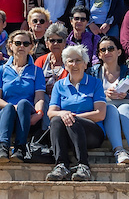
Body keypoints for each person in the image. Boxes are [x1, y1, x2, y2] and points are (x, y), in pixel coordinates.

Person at [45, 44, 106, 182]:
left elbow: (100, 114)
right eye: (70, 61)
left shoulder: (95, 83)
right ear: (65, 65)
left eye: (78, 60)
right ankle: (61, 165)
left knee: (71, 120)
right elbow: (51, 112)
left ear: (85, 64)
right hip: (67, 133)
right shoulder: (59, 85)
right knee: (56, 120)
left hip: (92, 133)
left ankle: (83, 166)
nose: (74, 64)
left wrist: (73, 116)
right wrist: (63, 114)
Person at [0, 30, 45, 162]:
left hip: (27, 113)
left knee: (23, 103)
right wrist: (12, 106)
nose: (21, 46)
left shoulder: (36, 71)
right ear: (10, 45)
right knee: (9, 107)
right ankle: (3, 148)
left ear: (31, 46)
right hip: (6, 113)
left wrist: (39, 113)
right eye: (17, 43)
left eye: (25, 43)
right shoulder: (1, 70)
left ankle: (20, 148)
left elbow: (39, 97)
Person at [90, 36, 129, 166]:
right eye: (103, 50)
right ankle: (119, 151)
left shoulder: (128, 72)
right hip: (104, 109)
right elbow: (87, 95)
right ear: (99, 54)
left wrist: (125, 95)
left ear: (118, 52)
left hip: (123, 106)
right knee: (111, 109)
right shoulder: (93, 72)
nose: (107, 52)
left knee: (125, 107)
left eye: (110, 49)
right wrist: (103, 94)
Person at [34, 23, 68, 96]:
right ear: (46, 43)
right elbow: (34, 83)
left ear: (64, 43)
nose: (55, 43)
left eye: (59, 41)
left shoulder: (71, 61)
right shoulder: (40, 61)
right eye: (52, 41)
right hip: (43, 97)